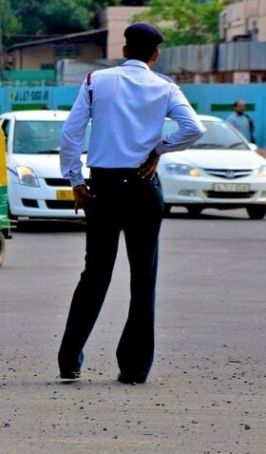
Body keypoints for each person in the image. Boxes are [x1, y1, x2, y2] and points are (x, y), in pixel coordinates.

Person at [57, 23, 204, 385]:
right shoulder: (166, 87)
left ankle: (69, 361)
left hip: (102, 189)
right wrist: (158, 150)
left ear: (124, 51)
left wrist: (75, 180)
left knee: (95, 275)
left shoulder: (96, 81)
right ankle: (135, 367)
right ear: (155, 55)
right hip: (143, 187)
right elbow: (193, 128)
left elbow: (71, 133)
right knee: (143, 278)